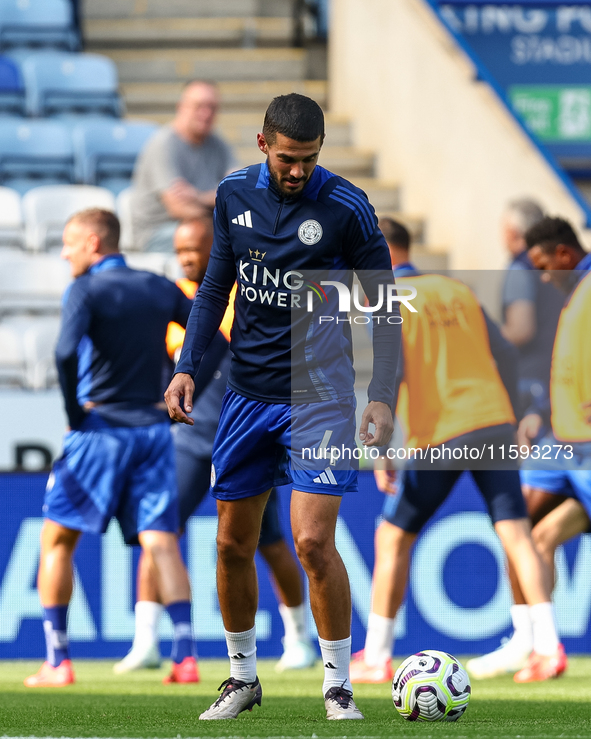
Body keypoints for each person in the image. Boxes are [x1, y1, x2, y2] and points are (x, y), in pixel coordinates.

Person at [165, 93, 400, 720]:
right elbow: (217, 285)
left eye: (310, 160)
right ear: (265, 143)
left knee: (311, 541)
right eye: (289, 159)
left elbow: (384, 308)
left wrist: (381, 396)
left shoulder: (348, 208)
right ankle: (242, 680)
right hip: (246, 395)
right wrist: (187, 365)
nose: (298, 171)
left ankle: (338, 685)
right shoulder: (233, 195)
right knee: (231, 545)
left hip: (320, 398)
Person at [349, 219, 566, 685]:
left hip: (442, 431)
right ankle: (547, 647)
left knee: (392, 537)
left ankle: (376, 656)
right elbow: (505, 352)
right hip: (493, 420)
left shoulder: (385, 300)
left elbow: (390, 374)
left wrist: (385, 448)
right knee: (516, 532)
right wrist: (509, 412)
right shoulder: (455, 288)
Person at [114, 218, 316, 675]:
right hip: (190, 439)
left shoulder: (240, 295)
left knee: (270, 542)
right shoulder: (177, 302)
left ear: (217, 247)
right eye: (181, 249)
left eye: (195, 248)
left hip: (245, 436)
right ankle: (146, 640)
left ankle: (299, 637)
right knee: (160, 532)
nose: (186, 256)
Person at [24, 209, 196, 688]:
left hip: (99, 430)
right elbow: (211, 340)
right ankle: (185, 656)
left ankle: (58, 661)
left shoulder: (85, 290)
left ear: (94, 243)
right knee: (161, 540)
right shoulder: (159, 286)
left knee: (57, 540)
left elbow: (63, 352)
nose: (64, 252)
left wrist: (76, 414)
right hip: (153, 432)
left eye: (70, 243)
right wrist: (184, 381)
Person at [468, 216, 591, 679]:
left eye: (543, 266)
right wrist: (544, 411)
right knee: (522, 529)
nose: (541, 276)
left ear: (563, 254)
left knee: (529, 533)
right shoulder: (575, 292)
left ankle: (535, 643)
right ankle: (532, 642)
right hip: (565, 441)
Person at [131, 80, 237, 252]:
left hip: (202, 225)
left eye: (212, 107)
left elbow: (239, 193)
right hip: (158, 232)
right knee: (222, 236)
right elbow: (178, 209)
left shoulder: (218, 144)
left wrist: (198, 196)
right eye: (199, 106)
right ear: (181, 107)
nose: (206, 113)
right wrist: (219, 206)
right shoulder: (164, 144)